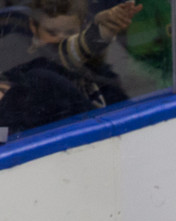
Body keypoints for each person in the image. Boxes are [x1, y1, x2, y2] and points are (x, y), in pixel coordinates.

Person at [0, 0, 139, 134]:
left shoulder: (96, 73)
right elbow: (7, 137)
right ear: (33, 26)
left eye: (69, 32)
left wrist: (102, 31)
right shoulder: (27, 68)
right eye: (52, 32)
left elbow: (65, 53)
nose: (60, 38)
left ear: (82, 25)